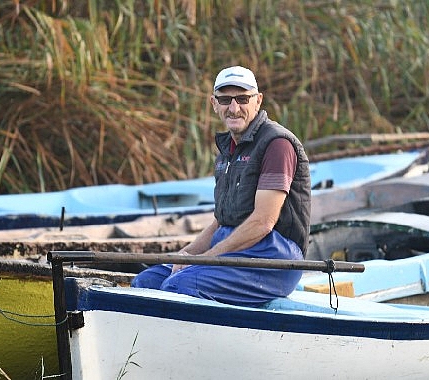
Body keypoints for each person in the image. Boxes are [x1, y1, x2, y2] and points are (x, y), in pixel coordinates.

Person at [131, 65, 311, 307]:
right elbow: (220, 223)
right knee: (146, 281)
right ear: (214, 104)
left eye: (242, 99)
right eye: (225, 100)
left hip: (275, 259)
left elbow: (263, 222)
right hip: (233, 250)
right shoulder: (227, 151)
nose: (233, 108)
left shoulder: (277, 144)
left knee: (178, 287)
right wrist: (185, 254)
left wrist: (205, 260)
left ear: (258, 101)